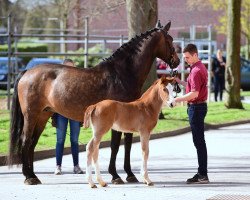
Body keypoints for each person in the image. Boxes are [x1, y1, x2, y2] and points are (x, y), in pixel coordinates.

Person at [169, 44, 209, 184]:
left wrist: (177, 99)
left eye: (187, 57)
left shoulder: (197, 70)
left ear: (195, 55)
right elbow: (191, 86)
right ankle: (202, 173)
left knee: (199, 142)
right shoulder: (197, 68)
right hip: (197, 107)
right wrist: (179, 81)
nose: (185, 60)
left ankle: (202, 175)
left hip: (196, 108)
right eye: (184, 57)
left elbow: (194, 93)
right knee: (199, 142)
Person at [53, 59, 83, 175]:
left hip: (74, 114)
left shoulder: (79, 81)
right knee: (60, 140)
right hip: (61, 114)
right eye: (67, 67)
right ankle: (58, 166)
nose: (70, 70)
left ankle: (76, 166)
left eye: (72, 67)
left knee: (74, 140)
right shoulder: (58, 81)